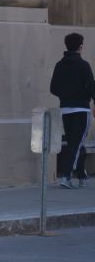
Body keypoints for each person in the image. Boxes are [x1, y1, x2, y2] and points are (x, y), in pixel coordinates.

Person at [49, 32, 95, 188]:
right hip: (81, 109)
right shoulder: (84, 65)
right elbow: (92, 87)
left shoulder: (59, 65)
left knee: (75, 143)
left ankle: (81, 175)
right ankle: (66, 176)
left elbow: (53, 88)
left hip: (66, 110)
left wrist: (65, 95)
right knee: (76, 143)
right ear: (80, 47)